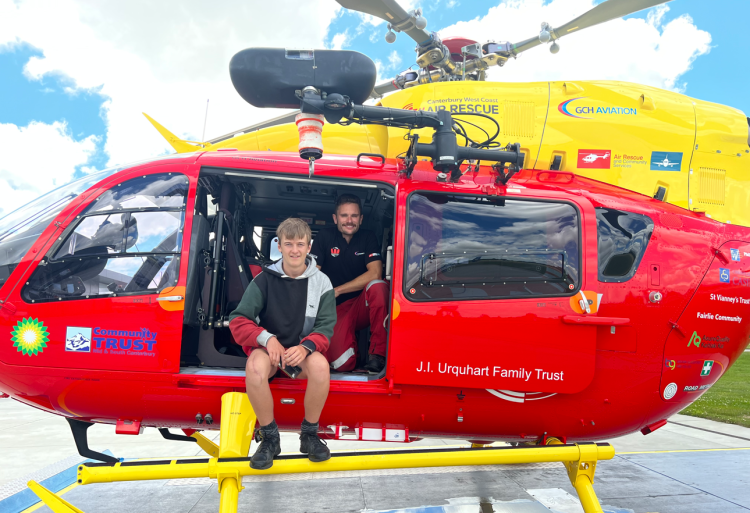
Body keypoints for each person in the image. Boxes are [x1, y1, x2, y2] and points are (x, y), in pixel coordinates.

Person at [229, 218, 336, 470]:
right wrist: (268, 339)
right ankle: (270, 438)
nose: (295, 250)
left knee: (321, 367)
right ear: (279, 246)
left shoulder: (323, 282)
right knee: (254, 367)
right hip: (270, 353)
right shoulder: (264, 280)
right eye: (289, 244)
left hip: (302, 353)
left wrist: (305, 347)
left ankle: (309, 435)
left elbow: (325, 328)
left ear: (309, 247)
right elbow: (238, 321)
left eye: (300, 244)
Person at [310, 194, 388, 373]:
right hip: (333, 309)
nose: (349, 220)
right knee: (341, 364)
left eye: (354, 216)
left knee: (378, 286)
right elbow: (313, 273)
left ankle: (377, 355)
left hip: (360, 305)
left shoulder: (368, 237)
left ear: (361, 219)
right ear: (335, 218)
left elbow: (375, 273)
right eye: (344, 216)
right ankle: (355, 352)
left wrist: (338, 290)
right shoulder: (325, 236)